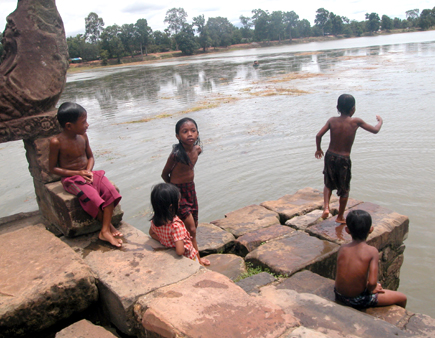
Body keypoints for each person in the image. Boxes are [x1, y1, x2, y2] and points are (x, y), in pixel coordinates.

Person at [49, 102, 123, 247]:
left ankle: (105, 229)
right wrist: (78, 173)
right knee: (93, 198)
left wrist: (88, 171)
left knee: (111, 192)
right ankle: (107, 228)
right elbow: (52, 168)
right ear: (69, 126)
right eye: (83, 122)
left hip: (88, 174)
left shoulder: (83, 136)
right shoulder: (56, 142)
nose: (87, 125)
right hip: (72, 179)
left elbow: (90, 157)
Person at [315, 94, 383, 223]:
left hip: (330, 156)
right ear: (353, 109)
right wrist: (380, 121)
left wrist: (318, 149)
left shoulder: (332, 120)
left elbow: (318, 136)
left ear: (337, 107)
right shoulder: (356, 121)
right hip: (344, 159)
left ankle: (326, 208)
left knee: (328, 182)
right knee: (344, 189)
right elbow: (375, 130)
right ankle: (340, 216)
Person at [161, 117, 210, 266]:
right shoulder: (176, 155)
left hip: (190, 189)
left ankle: (187, 250)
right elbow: (164, 174)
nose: (190, 134)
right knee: (192, 228)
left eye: (193, 131)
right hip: (177, 192)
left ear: (197, 133)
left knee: (193, 223)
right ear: (177, 136)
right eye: (185, 131)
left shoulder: (197, 149)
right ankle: (198, 259)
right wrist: (172, 193)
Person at [334, 209, 407, 309]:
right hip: (357, 300)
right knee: (402, 298)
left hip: (339, 295)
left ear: (347, 230)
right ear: (371, 229)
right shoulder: (372, 251)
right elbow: (372, 283)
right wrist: (372, 288)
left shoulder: (342, 248)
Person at [149, 183, 202, 265]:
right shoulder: (176, 226)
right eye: (178, 202)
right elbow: (180, 251)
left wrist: (166, 242)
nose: (179, 204)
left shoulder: (155, 220)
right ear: (171, 207)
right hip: (189, 258)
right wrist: (177, 244)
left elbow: (151, 233)